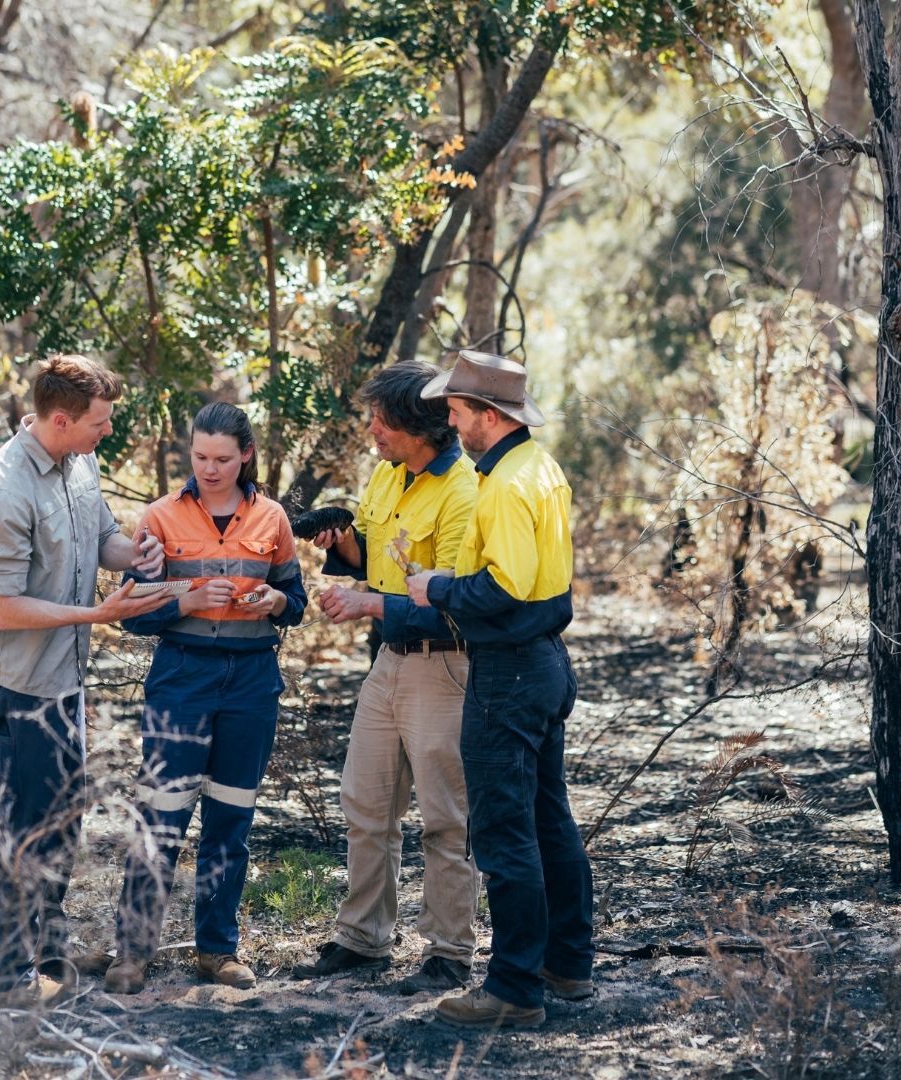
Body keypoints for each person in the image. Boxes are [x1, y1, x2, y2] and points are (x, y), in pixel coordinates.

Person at [0, 353, 170, 1006]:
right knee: (20, 832)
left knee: (60, 826)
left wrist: (135, 552)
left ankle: (45, 951)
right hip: (16, 687)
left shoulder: (81, 461)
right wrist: (99, 613)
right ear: (61, 419)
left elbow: (103, 536)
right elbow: (4, 607)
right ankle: (1, 974)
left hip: (65, 682)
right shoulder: (3, 489)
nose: (107, 432)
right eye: (101, 423)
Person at [406, 349, 594, 1030]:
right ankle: (568, 964)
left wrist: (437, 588)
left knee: (502, 828)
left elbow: (504, 586)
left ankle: (515, 987)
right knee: (549, 818)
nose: (450, 423)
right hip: (543, 662)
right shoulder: (539, 467)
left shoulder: (508, 484)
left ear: (489, 415)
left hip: (512, 671)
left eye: (456, 411)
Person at [104, 401, 307, 994]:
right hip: (181, 678)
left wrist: (275, 603)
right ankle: (132, 952)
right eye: (199, 457)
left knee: (230, 816)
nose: (210, 468)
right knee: (160, 816)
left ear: (245, 455)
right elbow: (130, 617)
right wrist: (184, 603)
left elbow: (295, 602)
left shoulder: (272, 518)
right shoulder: (161, 516)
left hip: (251, 684)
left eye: (222, 458)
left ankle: (217, 949)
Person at [291, 360, 480, 994]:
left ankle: (451, 949)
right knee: (365, 802)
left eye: (382, 420)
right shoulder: (387, 473)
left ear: (420, 425)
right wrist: (338, 538)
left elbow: (449, 595)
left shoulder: (463, 490)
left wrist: (371, 603)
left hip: (444, 663)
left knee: (444, 816)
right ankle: (364, 938)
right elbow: (371, 558)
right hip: (390, 661)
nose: (371, 430)